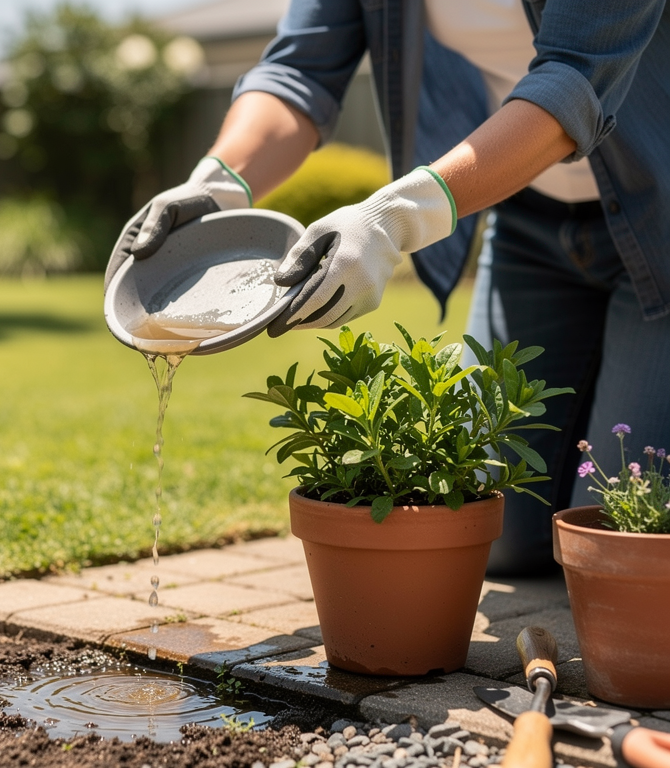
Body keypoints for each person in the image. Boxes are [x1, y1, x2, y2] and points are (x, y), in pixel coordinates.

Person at [104, 0, 670, 576]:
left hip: (665, 217)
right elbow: (300, 70)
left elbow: (576, 76)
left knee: (618, 544)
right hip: (533, 219)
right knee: (486, 531)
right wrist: (219, 183)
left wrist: (397, 217)